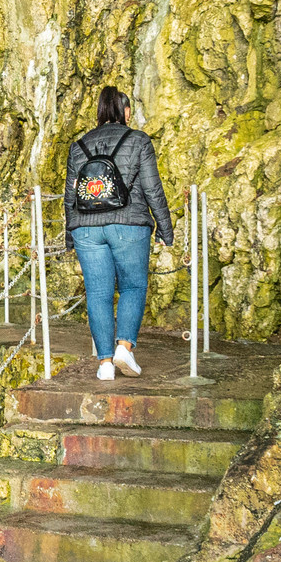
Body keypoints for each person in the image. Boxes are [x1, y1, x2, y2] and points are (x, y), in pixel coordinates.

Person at [63, 86, 173, 381]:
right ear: (125, 111)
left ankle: (105, 365)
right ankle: (125, 347)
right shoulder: (138, 140)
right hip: (129, 224)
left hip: (87, 228)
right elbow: (152, 189)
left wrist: (70, 235)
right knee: (132, 287)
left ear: (99, 112)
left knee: (98, 294)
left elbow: (70, 196)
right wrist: (165, 228)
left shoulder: (79, 146)